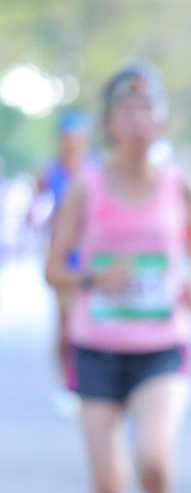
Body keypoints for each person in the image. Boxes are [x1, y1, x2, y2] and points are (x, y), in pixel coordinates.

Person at [45, 65, 191, 493]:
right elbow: (52, 268)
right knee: (109, 483)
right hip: (95, 346)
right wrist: (93, 278)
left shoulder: (181, 184)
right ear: (109, 123)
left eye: (149, 110)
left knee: (153, 460)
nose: (140, 121)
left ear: (162, 120)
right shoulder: (85, 188)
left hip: (161, 344)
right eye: (129, 111)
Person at [28, 109, 95, 412]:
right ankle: (68, 384)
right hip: (64, 260)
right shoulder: (49, 173)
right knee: (66, 324)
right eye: (66, 138)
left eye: (76, 138)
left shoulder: (98, 169)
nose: (71, 144)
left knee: (94, 322)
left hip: (94, 258)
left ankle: (95, 382)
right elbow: (35, 211)